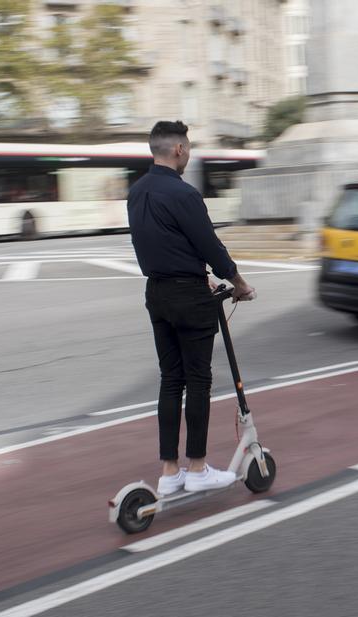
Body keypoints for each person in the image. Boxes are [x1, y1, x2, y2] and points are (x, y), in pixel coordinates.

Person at [128, 120, 256, 495]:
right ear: (179, 150)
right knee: (198, 380)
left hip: (157, 294)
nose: (189, 154)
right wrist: (239, 283)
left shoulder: (136, 193)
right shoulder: (183, 194)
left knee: (171, 380)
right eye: (189, 148)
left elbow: (157, 241)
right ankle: (198, 468)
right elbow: (208, 245)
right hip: (189, 298)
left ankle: (170, 474)